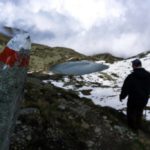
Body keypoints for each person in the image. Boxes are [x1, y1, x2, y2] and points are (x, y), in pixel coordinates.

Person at [120, 59, 150, 131]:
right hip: (143, 99)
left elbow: (125, 88)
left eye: (132, 65)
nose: (132, 66)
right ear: (140, 65)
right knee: (139, 112)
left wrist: (122, 96)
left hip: (133, 99)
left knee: (131, 113)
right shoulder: (148, 75)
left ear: (134, 66)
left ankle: (132, 129)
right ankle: (138, 126)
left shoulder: (131, 76)